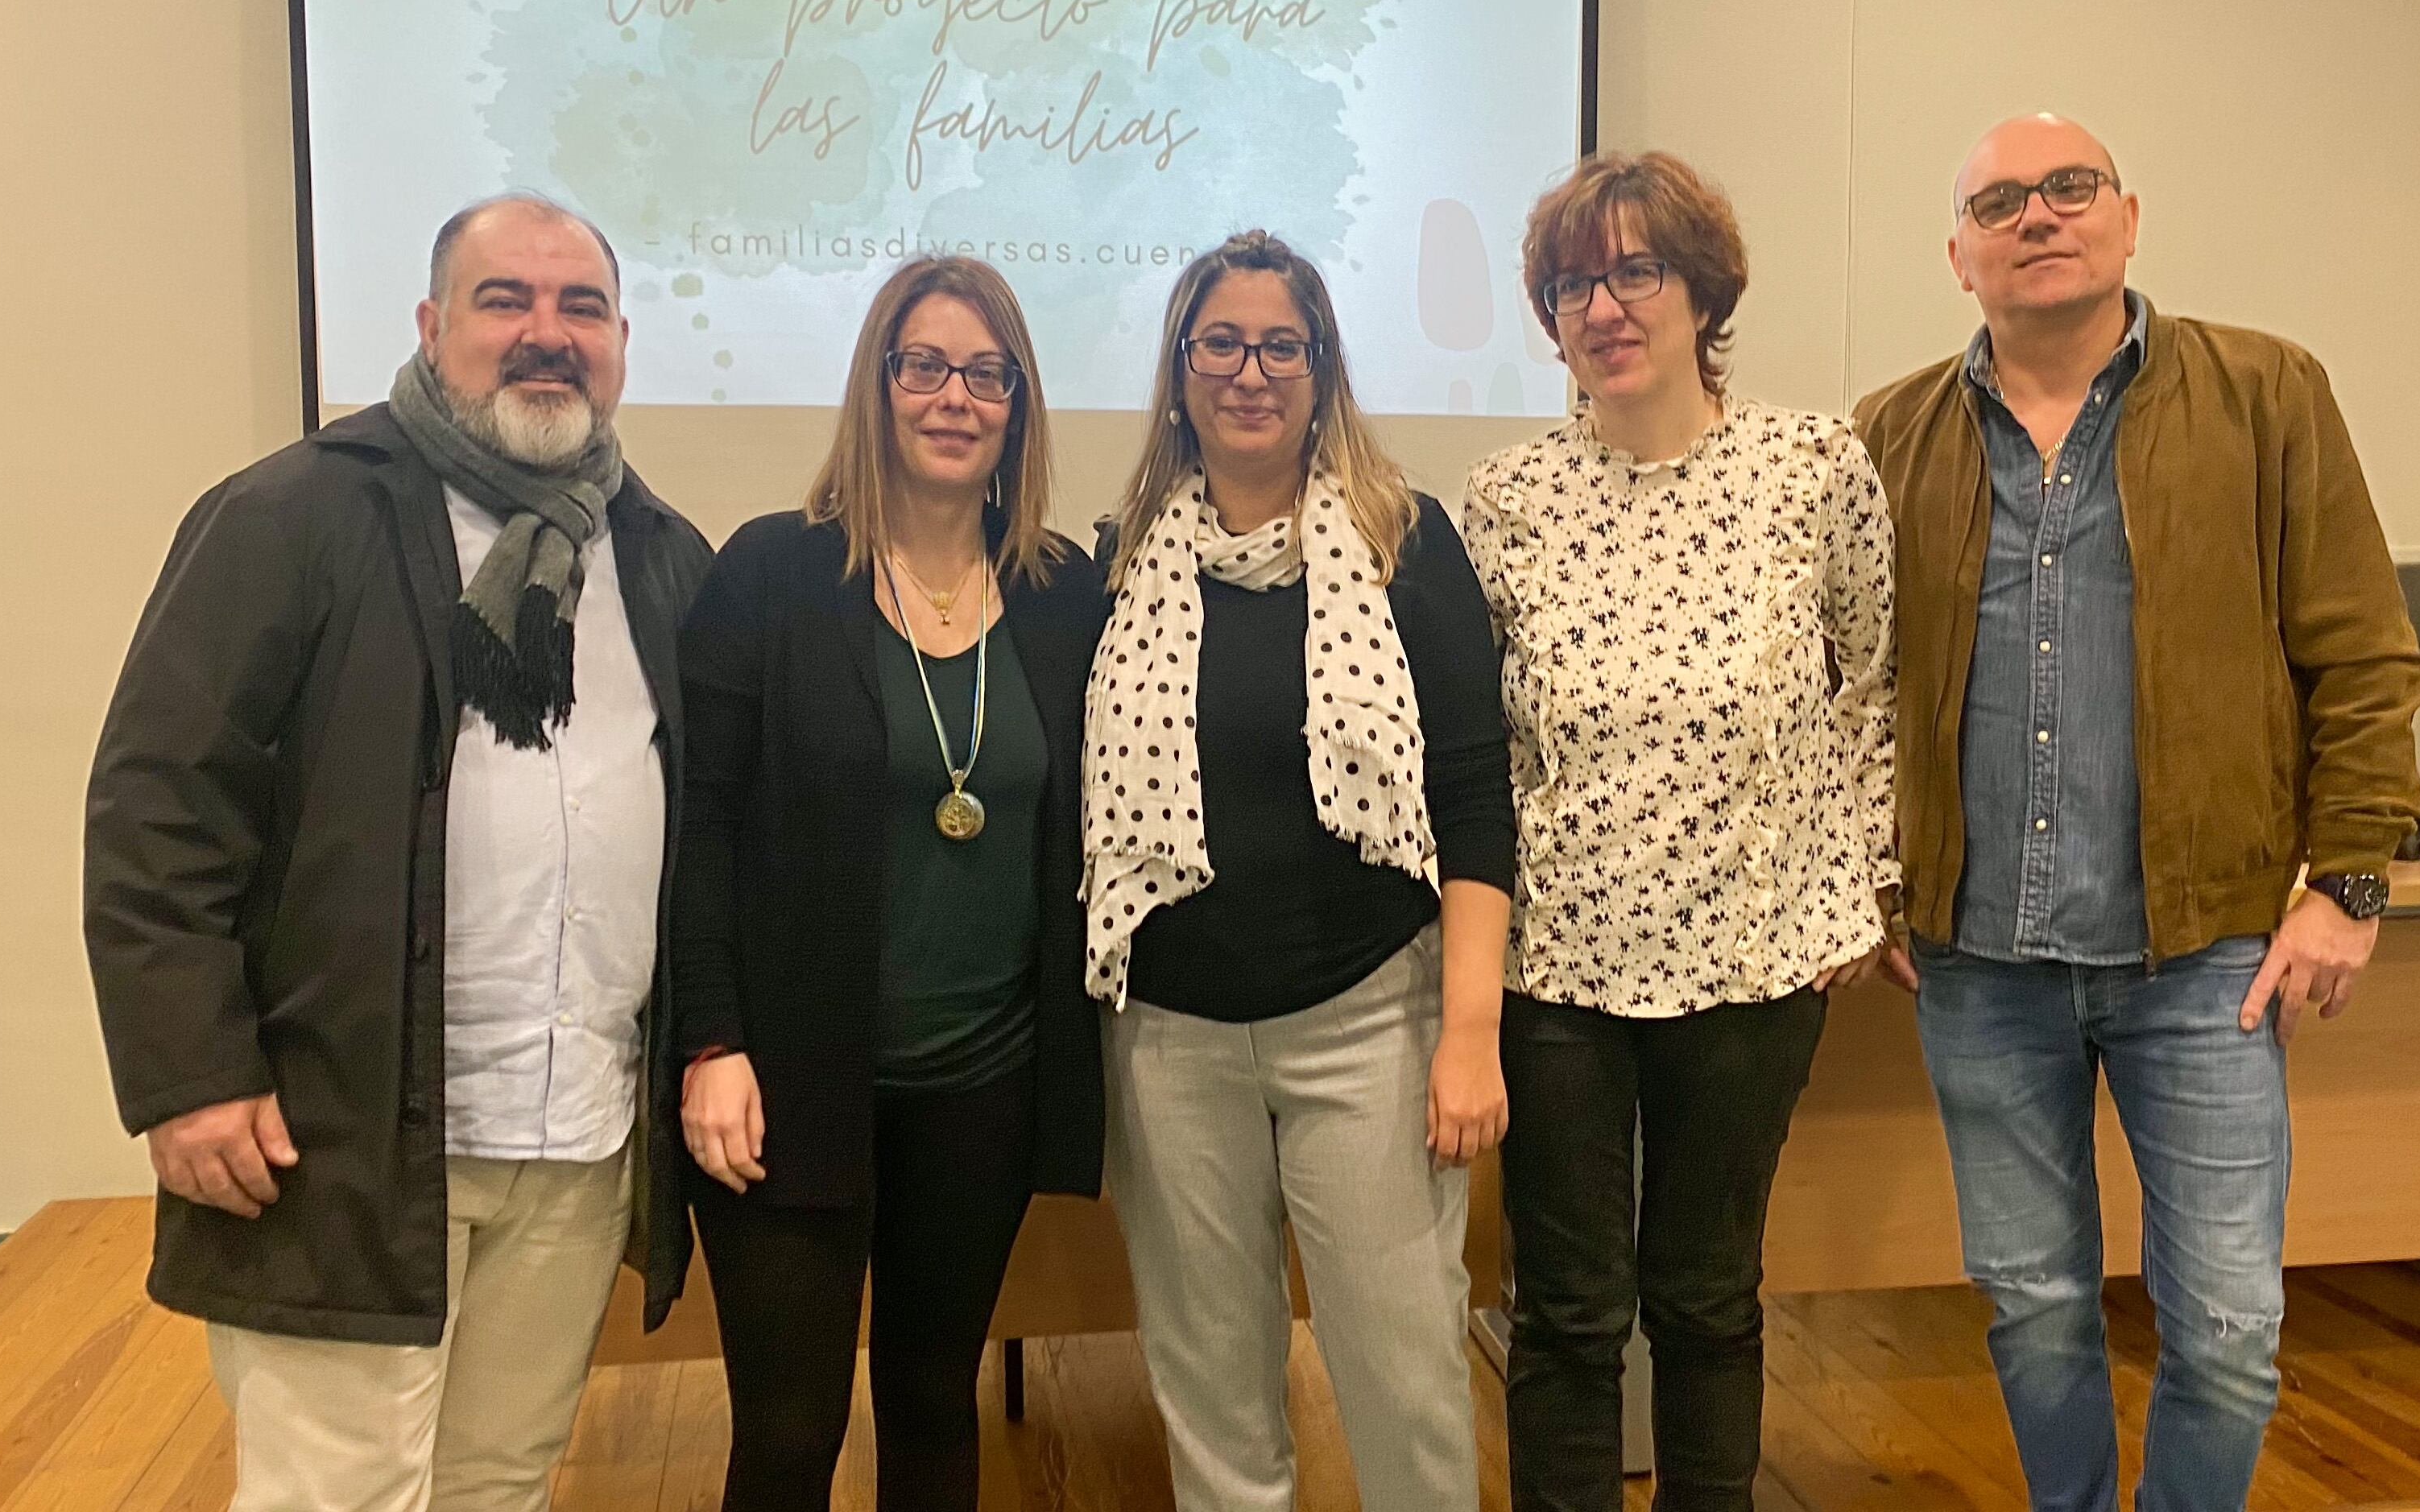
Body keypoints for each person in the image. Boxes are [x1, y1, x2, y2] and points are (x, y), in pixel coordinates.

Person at [84, 194, 709, 1511]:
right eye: (507, 302)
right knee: (340, 1496)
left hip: (577, 1137)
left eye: (580, 308)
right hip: (341, 1141)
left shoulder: (656, 555)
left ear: (623, 342)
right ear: (432, 328)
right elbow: (159, 807)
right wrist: (188, 1073)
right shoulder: (292, 518)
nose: (547, 336)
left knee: (501, 1481)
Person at [1852, 113, 2420, 1512]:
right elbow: (1840, 688)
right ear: (1957, 255)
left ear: (2125, 216)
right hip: (1978, 960)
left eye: (2068, 188)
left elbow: (2361, 652)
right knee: (2032, 1304)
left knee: (2228, 1328)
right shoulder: (1887, 434)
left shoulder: (2266, 393)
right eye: (2001, 201)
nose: (2036, 215)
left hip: (2207, 959)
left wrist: (2349, 881)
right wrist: (1866, 880)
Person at [1462, 151, 1898, 1511]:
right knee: (1569, 1314)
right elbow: (1473, 747)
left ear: (1702, 289)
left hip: (1754, 962)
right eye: (1570, 282)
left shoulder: (1811, 466)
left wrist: (1859, 883)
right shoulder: (1503, 502)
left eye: (1635, 269)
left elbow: (1872, 683)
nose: (1603, 305)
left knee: (1709, 1299)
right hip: (1557, 973)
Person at [1085, 229, 1515, 1510]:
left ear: (1322, 367)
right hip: (1168, 1043)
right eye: (1220, 342)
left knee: (1405, 1382)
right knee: (1210, 1390)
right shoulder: (1116, 561)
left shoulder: (1404, 542)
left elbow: (1475, 798)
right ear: (1179, 367)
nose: (1250, 370)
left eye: (1283, 344)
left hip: (1369, 1026)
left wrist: (1469, 1031)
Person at [670, 255, 1107, 1510]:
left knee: (932, 1408)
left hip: (982, 1082)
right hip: (788, 1084)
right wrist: (710, 1041)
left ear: (1017, 403)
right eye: (923, 366)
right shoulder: (771, 575)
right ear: (878, 385)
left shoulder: (1059, 591)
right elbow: (699, 824)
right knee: (791, 1434)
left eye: (986, 373)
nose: (953, 397)